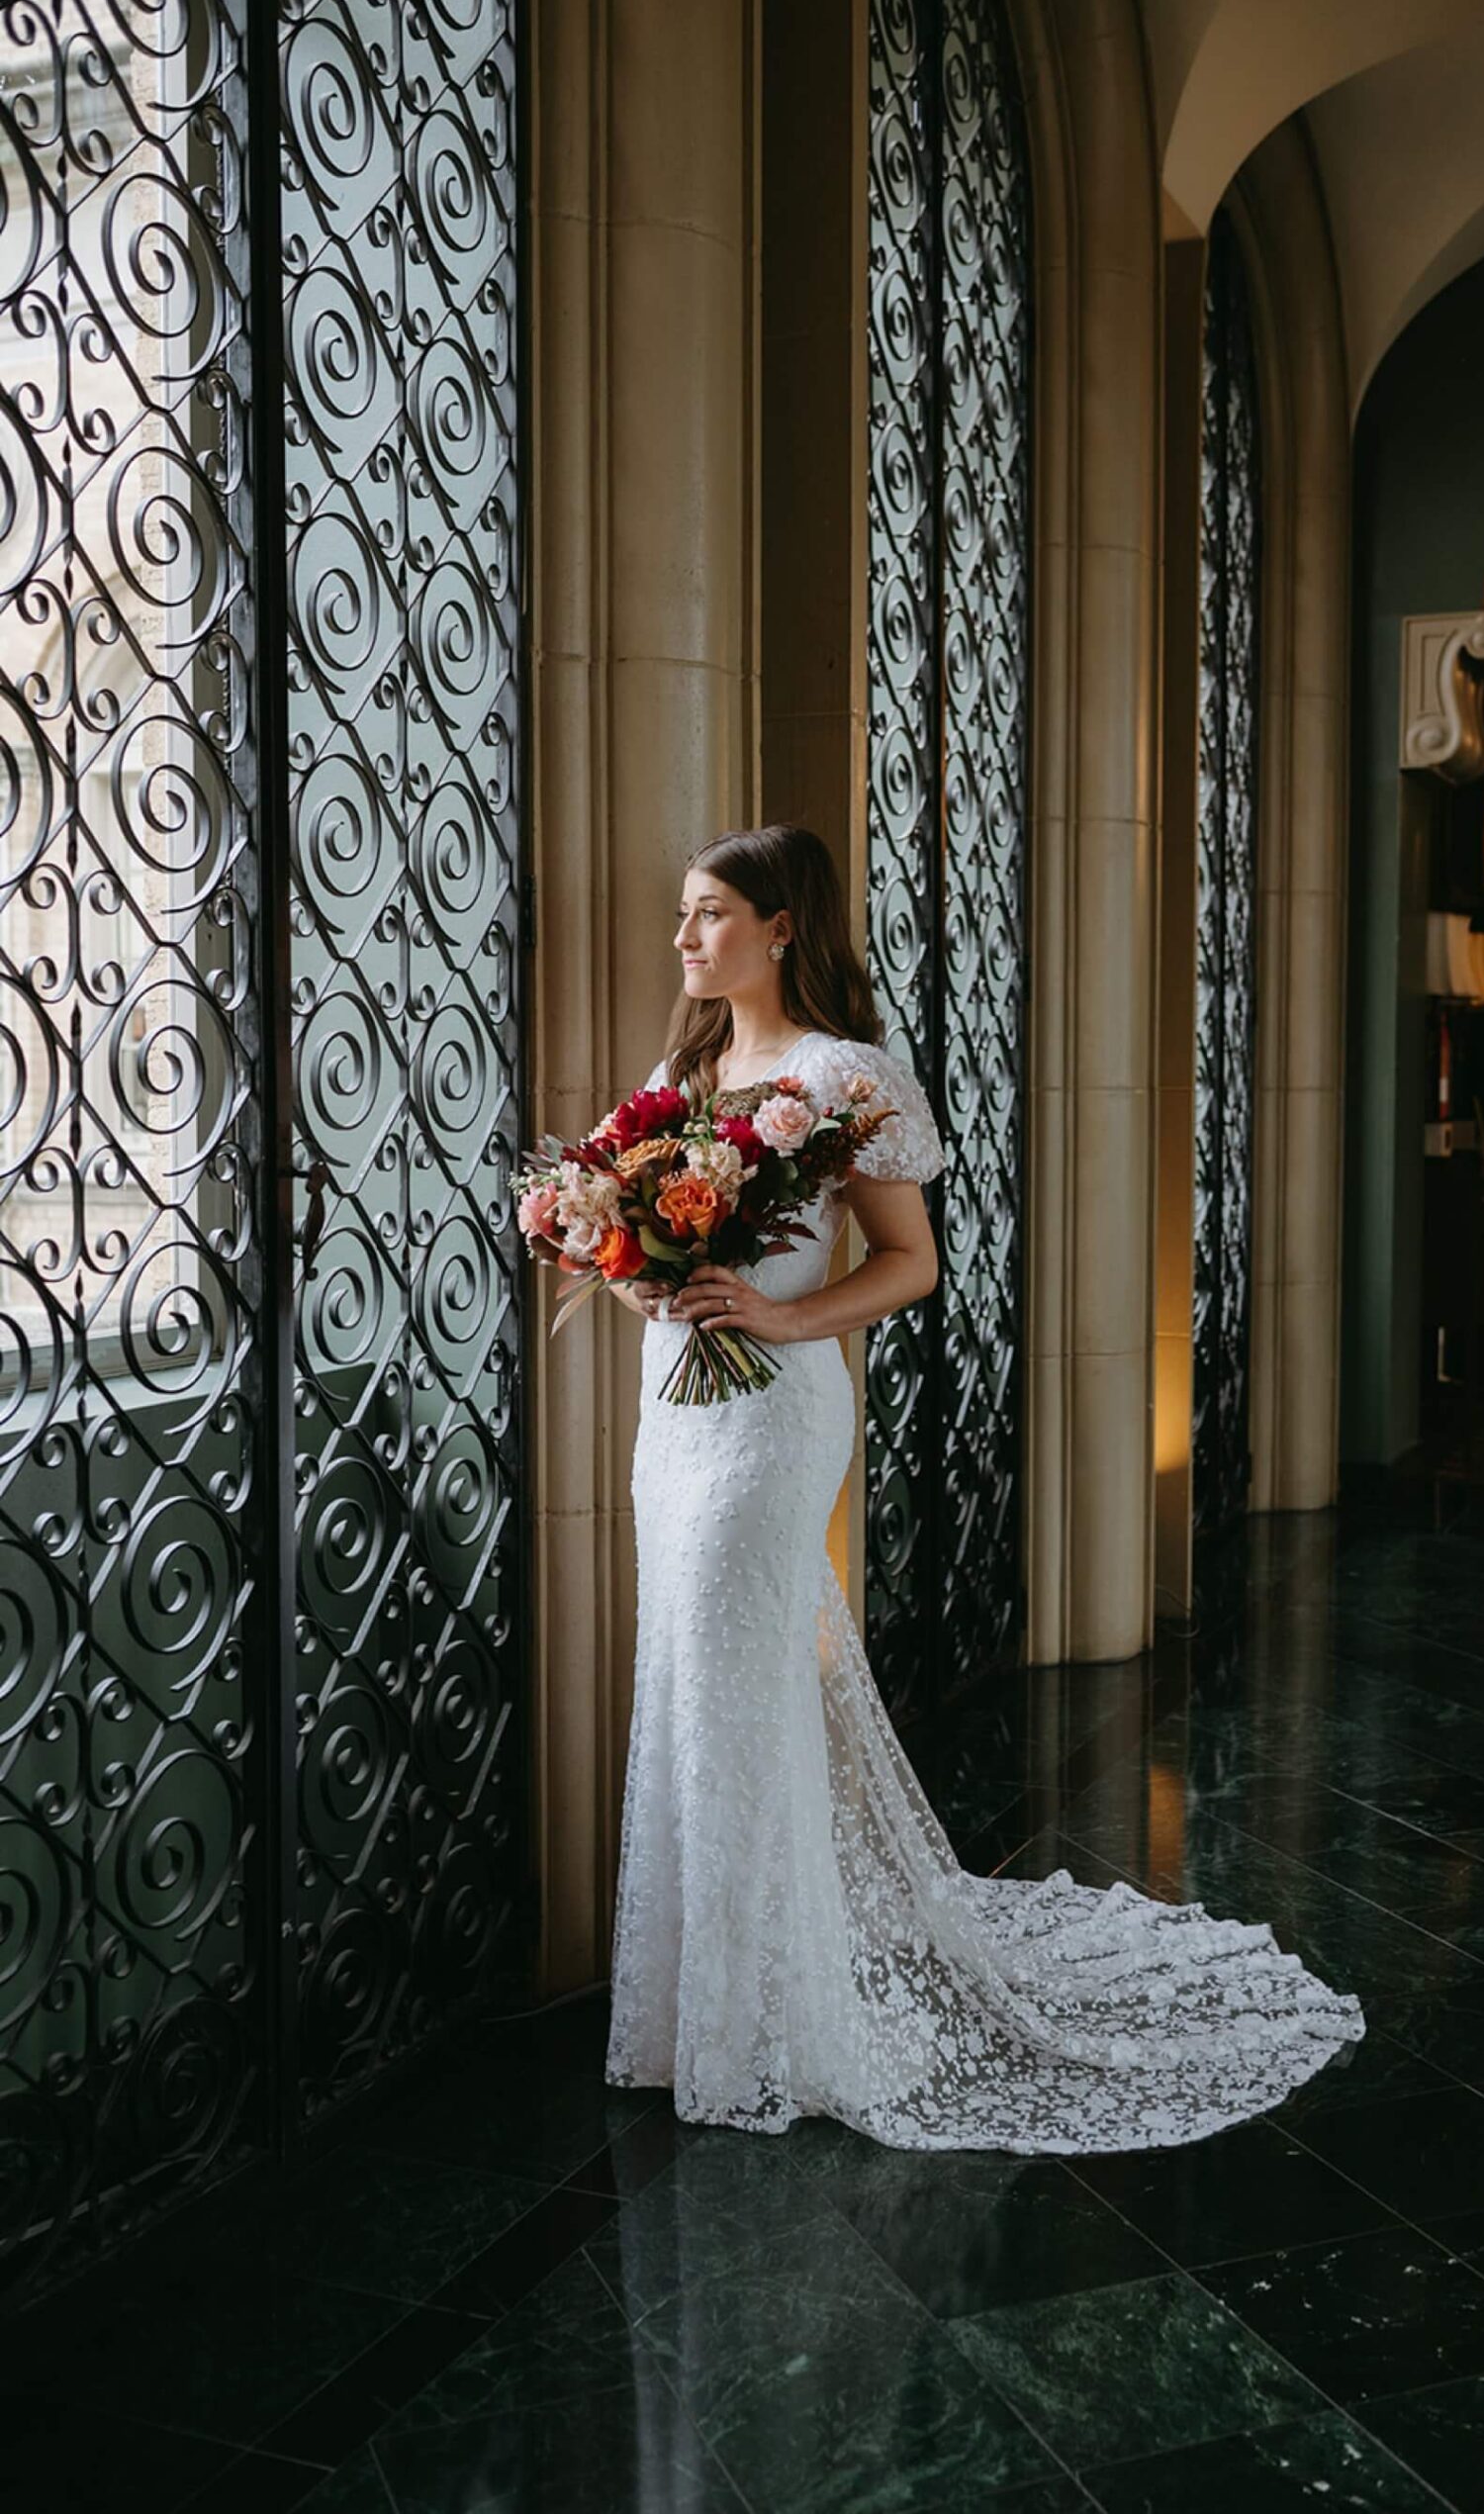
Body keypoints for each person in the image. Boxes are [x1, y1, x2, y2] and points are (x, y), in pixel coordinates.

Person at [601, 823, 1364, 2151]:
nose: (685, 939)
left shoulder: (840, 1075)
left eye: (710, 913)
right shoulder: (685, 1069)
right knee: (689, 1681)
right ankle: (691, 2007)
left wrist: (781, 1323)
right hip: (674, 1411)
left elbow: (908, 1263)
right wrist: (631, 1266)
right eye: (684, 914)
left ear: (782, 927)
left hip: (773, 1416)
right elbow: (633, 1232)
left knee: (738, 1683)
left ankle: (773, 2015)